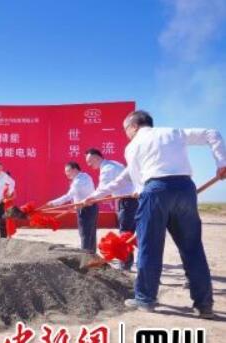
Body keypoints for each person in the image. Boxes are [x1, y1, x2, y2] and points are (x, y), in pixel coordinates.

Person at [85, 110, 226, 318]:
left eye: (125, 130)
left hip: (155, 192)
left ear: (133, 126)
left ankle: (145, 299)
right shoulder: (173, 132)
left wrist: (137, 190)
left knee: (149, 247)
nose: (126, 134)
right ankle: (204, 305)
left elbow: (135, 181)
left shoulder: (133, 146)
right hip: (185, 189)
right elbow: (211, 133)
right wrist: (222, 163)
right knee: (193, 248)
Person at [84, 148, 137, 269]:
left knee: (125, 233)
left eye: (90, 161)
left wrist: (89, 199)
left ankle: (125, 265)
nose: (89, 164)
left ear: (97, 157)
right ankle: (127, 262)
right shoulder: (113, 164)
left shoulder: (107, 169)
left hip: (127, 202)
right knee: (131, 233)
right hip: (131, 200)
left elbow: (103, 189)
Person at [48, 162, 97, 252]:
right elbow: (80, 194)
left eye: (68, 171)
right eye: (65, 172)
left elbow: (68, 196)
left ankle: (84, 255)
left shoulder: (78, 181)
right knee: (91, 233)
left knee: (85, 233)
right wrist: (75, 204)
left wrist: (53, 203)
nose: (66, 174)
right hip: (92, 207)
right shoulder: (86, 176)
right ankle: (92, 254)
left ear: (75, 169)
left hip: (85, 209)